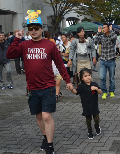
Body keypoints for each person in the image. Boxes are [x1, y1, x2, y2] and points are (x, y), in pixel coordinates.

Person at [6, 13, 72, 154]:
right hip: (32, 88)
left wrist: (67, 80)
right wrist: (16, 39)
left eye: (36, 28)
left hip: (48, 87)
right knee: (38, 116)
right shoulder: (24, 45)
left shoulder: (50, 45)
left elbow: (60, 64)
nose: (33, 31)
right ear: (28, 30)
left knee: (47, 116)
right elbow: (9, 55)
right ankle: (45, 137)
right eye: (30, 28)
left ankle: (50, 145)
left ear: (42, 29)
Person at [69, 68, 102, 139]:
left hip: (94, 105)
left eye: (89, 75)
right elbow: (76, 92)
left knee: (96, 118)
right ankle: (89, 131)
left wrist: (96, 89)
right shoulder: (81, 86)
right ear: (82, 78)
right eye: (85, 76)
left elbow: (100, 92)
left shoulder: (94, 84)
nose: (88, 77)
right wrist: (71, 89)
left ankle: (97, 126)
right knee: (88, 119)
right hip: (86, 106)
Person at [94, 23, 117, 100]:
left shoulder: (112, 35)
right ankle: (104, 91)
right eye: (102, 28)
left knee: (111, 78)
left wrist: (111, 30)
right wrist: (98, 32)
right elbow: (95, 41)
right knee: (102, 77)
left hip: (111, 60)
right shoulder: (101, 36)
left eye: (104, 28)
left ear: (108, 28)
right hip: (103, 60)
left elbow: (114, 38)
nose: (103, 29)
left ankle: (111, 91)